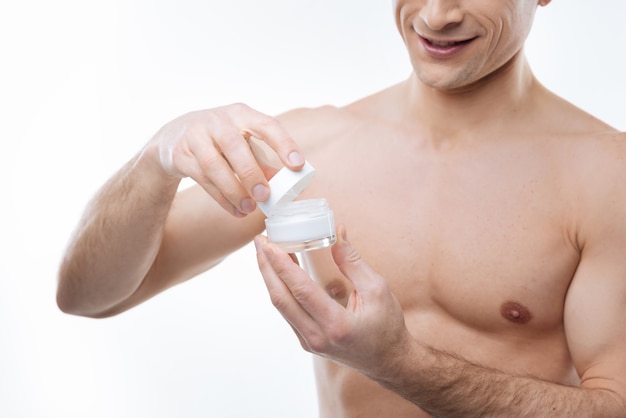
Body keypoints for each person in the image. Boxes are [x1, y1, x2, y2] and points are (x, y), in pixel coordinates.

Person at [57, 0, 626, 416]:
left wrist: (401, 364)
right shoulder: (305, 152)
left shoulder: (607, 176)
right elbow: (89, 296)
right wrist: (157, 157)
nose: (435, 15)